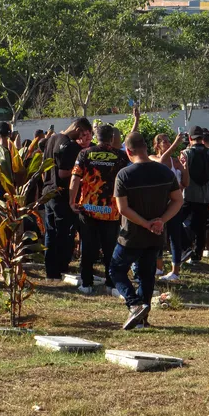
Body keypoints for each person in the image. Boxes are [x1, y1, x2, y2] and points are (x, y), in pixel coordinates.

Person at [110, 132, 183, 330]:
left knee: (116, 270)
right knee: (146, 275)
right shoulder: (164, 171)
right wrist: (161, 221)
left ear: (128, 151)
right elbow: (178, 200)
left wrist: (145, 223)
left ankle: (134, 304)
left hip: (131, 234)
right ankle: (142, 319)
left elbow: (123, 208)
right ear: (146, 148)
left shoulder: (124, 174)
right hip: (156, 234)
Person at [69, 123, 129, 294]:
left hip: (88, 209)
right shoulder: (121, 156)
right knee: (111, 249)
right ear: (112, 138)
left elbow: (74, 179)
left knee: (87, 247)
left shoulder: (85, 153)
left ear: (96, 137)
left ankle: (86, 284)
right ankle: (111, 284)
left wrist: (71, 201)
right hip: (111, 211)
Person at [42, 117, 92, 279]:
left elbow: (45, 168)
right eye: (83, 133)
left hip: (48, 191)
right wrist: (80, 174)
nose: (82, 138)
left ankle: (50, 269)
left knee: (50, 232)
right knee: (63, 233)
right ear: (77, 128)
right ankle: (60, 268)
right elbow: (63, 173)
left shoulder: (51, 139)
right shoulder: (69, 146)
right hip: (61, 195)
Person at [150, 132, 188, 282]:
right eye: (163, 141)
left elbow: (186, 182)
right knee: (158, 235)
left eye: (168, 141)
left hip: (174, 204)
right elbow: (161, 161)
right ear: (157, 144)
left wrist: (185, 167)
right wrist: (176, 144)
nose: (166, 143)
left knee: (174, 237)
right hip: (159, 204)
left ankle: (175, 271)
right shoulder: (153, 158)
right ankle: (159, 267)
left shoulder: (175, 161)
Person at [179, 126, 209, 262]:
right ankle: (197, 255)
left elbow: (183, 175)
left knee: (178, 221)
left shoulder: (185, 153)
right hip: (206, 195)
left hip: (188, 194)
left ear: (190, 138)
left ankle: (186, 247)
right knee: (200, 227)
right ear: (202, 138)